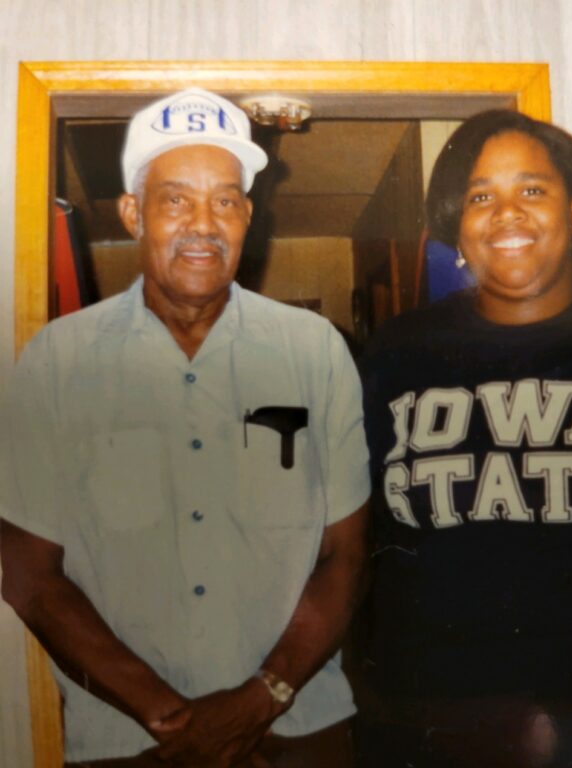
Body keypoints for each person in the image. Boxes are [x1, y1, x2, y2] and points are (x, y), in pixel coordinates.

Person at [0, 87, 371, 767]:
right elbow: (27, 572)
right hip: (129, 742)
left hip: (300, 731)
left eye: (225, 201)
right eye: (176, 199)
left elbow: (345, 553)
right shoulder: (56, 361)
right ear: (134, 213)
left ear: (248, 217)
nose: (204, 223)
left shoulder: (315, 352)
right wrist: (170, 718)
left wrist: (260, 699)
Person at [357, 109, 572, 767]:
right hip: (438, 723)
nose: (506, 214)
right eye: (481, 196)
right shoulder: (398, 354)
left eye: (532, 190)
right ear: (458, 225)